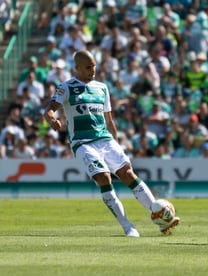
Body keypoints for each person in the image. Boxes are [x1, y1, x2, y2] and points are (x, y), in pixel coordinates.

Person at [43, 50, 179, 237]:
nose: (93, 70)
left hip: (106, 140)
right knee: (104, 178)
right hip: (83, 143)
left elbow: (109, 120)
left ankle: (157, 214)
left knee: (127, 173)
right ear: (77, 68)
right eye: (88, 67)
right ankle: (127, 226)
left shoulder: (102, 88)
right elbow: (49, 110)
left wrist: (116, 143)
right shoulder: (66, 88)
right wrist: (52, 120)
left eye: (94, 66)